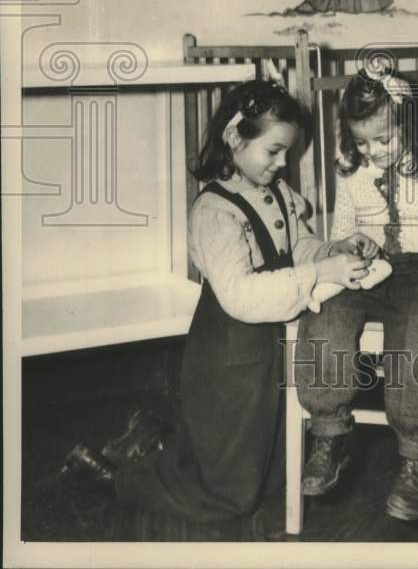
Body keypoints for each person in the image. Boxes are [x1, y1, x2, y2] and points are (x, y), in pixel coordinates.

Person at [60, 80, 372, 527]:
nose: (283, 163)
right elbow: (241, 296)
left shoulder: (278, 192)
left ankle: (154, 437)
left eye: (287, 152)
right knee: (233, 497)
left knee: (273, 473)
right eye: (274, 151)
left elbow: (297, 245)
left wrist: (331, 252)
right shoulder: (214, 211)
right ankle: (112, 480)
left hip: (270, 350)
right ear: (233, 137)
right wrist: (321, 274)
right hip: (229, 358)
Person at [294, 69, 418, 522]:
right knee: (327, 310)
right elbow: (344, 228)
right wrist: (347, 251)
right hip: (377, 265)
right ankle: (328, 434)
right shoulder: (352, 170)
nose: (373, 151)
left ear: (411, 125)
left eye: (384, 139)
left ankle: (416, 457)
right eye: (362, 142)